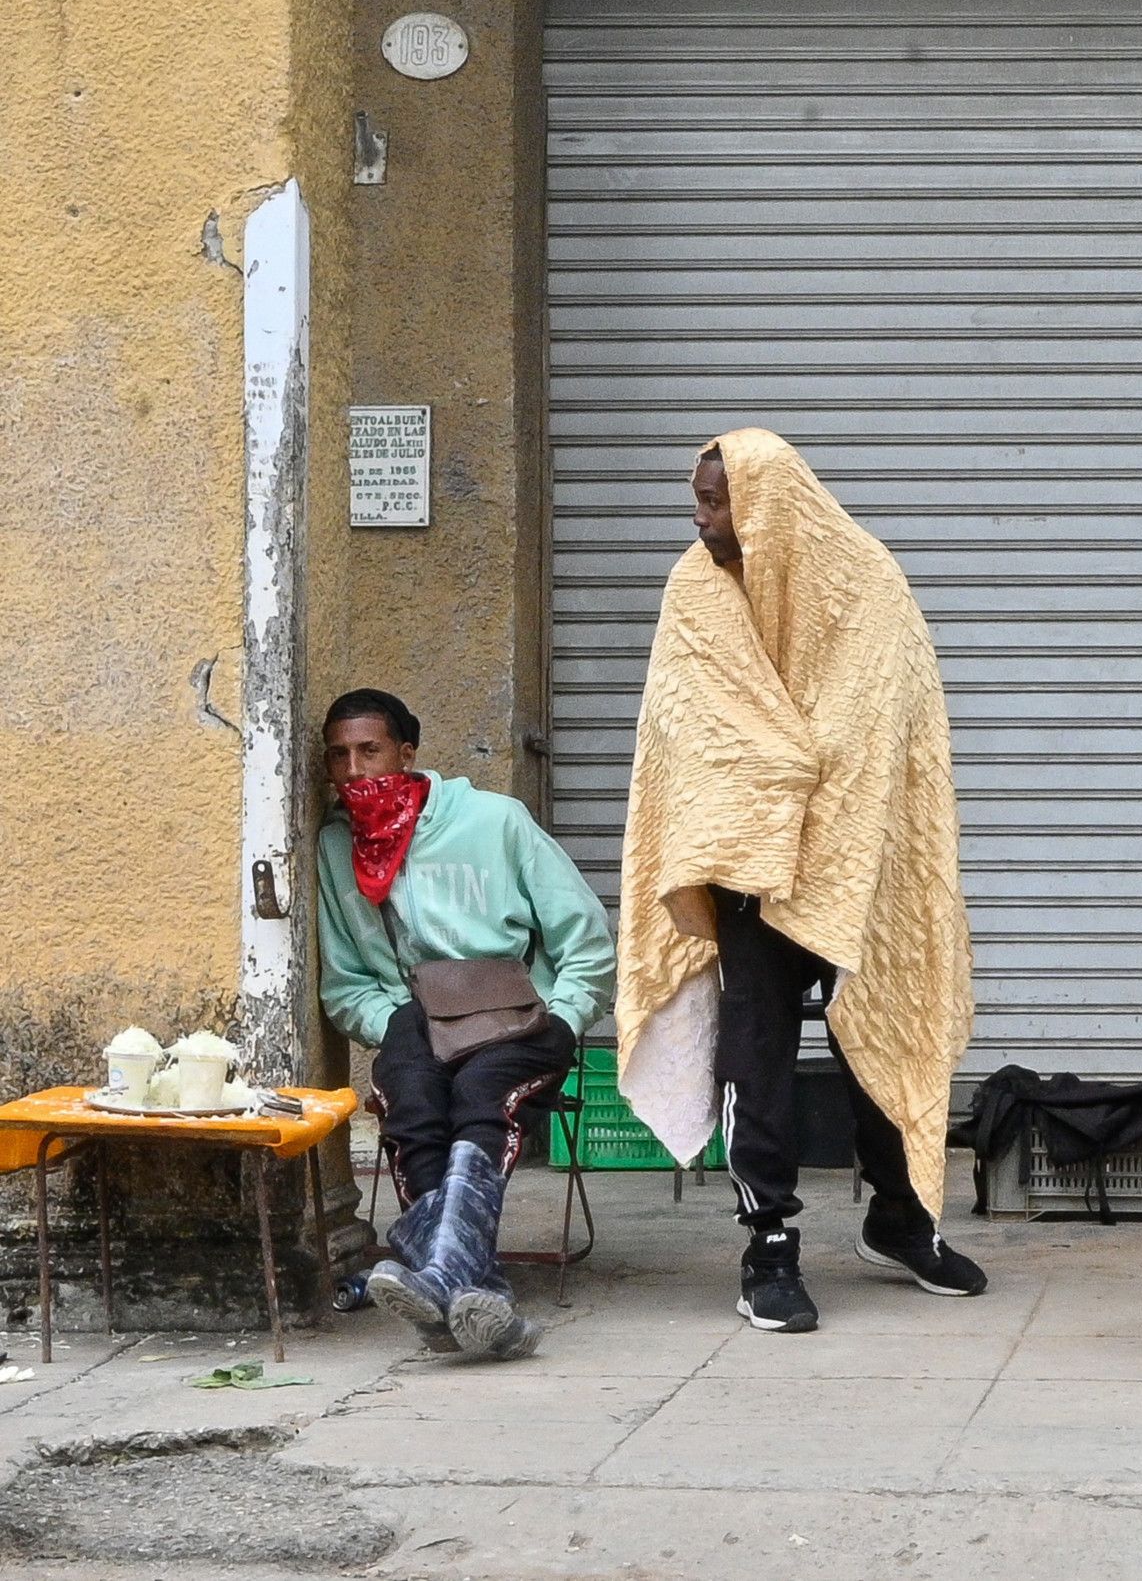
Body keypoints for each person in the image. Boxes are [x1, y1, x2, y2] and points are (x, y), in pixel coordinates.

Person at [613, 428, 984, 1335]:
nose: (700, 520)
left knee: (887, 1029)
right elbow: (691, 725)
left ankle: (902, 1217)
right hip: (747, 862)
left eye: (715, 502)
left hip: (865, 859)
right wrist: (780, 779)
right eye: (697, 501)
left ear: (767, 504)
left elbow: (883, 726)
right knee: (755, 1048)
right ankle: (767, 1242)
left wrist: (800, 780)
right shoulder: (693, 590)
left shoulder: (868, 584)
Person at [313, 688, 616, 1360]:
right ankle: (475, 1290)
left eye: (372, 750)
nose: (356, 768)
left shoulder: (495, 820)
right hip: (417, 1017)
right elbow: (344, 983)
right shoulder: (337, 848)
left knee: (481, 1096)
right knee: (413, 1103)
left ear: (408, 753)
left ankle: (439, 1275)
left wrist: (564, 1017)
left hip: (518, 1012)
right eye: (340, 756)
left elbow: (586, 936)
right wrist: (396, 1018)